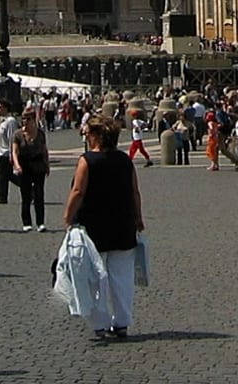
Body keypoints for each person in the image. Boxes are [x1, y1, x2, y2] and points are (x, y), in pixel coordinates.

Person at [61, 115, 144, 340]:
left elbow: (78, 191)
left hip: (94, 226)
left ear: (97, 136)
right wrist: (138, 218)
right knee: (122, 277)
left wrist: (67, 217)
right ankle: (122, 321)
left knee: (95, 277)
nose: (86, 137)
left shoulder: (87, 161)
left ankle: (99, 323)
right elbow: (135, 191)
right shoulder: (125, 160)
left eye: (87, 133)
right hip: (123, 223)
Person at [11, 106, 50, 232]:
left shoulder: (40, 134)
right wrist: (17, 165)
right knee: (26, 195)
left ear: (34, 120)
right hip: (24, 164)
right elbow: (14, 152)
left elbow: (44, 150)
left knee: (39, 194)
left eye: (28, 119)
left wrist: (47, 164)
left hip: (38, 165)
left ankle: (40, 223)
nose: (25, 121)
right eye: (23, 119)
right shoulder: (18, 134)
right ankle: (26, 222)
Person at [0, 100, 18, 204]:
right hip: (2, 152)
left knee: (2, 176)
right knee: (8, 175)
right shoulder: (4, 121)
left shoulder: (11, 121)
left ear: (6, 108)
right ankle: (30, 190)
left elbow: (12, 138)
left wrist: (13, 154)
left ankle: (2, 196)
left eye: (0, 107)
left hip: (7, 153)